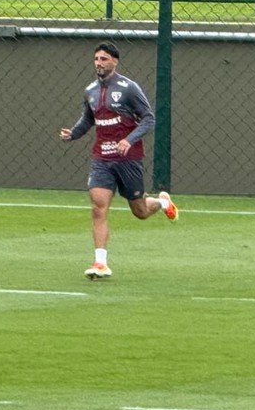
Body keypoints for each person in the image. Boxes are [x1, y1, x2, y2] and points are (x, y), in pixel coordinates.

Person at [59, 42, 178, 280]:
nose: (99, 63)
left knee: (140, 211)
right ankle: (100, 263)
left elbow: (148, 118)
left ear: (115, 61)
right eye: (96, 59)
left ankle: (162, 203)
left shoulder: (128, 88)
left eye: (104, 59)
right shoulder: (90, 90)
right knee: (98, 207)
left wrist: (129, 140)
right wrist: (73, 133)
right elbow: (88, 119)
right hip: (102, 158)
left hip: (128, 159)